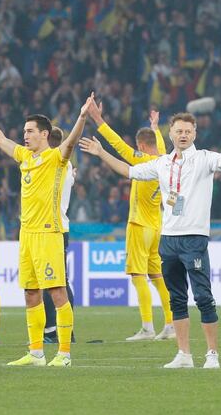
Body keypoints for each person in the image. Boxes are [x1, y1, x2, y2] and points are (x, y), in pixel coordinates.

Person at [80, 112, 221, 369]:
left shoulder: (204, 159)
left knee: (203, 297)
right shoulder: (162, 163)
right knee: (176, 299)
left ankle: (212, 354)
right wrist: (101, 153)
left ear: (194, 134)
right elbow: (129, 171)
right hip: (168, 239)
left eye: (187, 132)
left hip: (194, 238)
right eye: (179, 131)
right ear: (170, 134)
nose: (183, 135)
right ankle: (184, 355)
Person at [0, 88, 94, 367]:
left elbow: (71, 141)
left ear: (44, 134)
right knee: (30, 292)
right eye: (24, 131)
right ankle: (36, 352)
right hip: (27, 235)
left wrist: (82, 117)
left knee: (57, 292)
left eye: (30, 130)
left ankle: (64, 353)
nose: (25, 134)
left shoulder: (56, 158)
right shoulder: (25, 157)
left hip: (50, 233)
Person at [88, 104, 174, 341]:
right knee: (158, 278)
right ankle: (170, 325)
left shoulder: (144, 160)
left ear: (141, 146)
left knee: (139, 277)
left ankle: (147, 327)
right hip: (157, 227)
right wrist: (156, 127)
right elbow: (162, 145)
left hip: (139, 225)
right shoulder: (164, 159)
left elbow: (118, 146)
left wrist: (98, 120)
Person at [41, 126, 76, 344]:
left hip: (52, 227)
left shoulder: (53, 163)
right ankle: (65, 330)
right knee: (61, 281)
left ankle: (54, 331)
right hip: (61, 226)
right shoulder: (68, 166)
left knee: (52, 282)